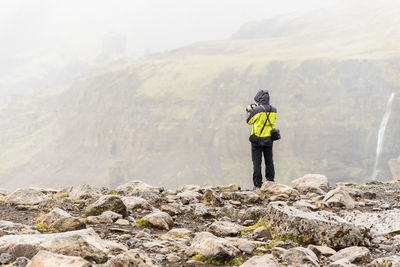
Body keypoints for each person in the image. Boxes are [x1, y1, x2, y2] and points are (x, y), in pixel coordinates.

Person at [246, 90, 277, 189]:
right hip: (269, 139)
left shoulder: (256, 110)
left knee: (257, 162)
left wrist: (249, 111)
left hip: (257, 140)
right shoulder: (274, 109)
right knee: (269, 161)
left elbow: (249, 121)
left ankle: (258, 184)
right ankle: (270, 180)